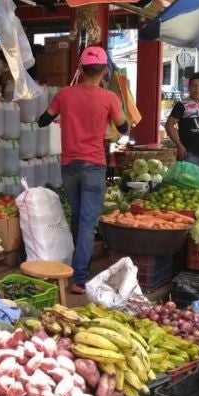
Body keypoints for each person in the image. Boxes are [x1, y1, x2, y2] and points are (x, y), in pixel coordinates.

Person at [37, 46, 128, 294]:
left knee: (78, 218)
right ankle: (79, 278)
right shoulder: (110, 98)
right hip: (94, 166)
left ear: (81, 69)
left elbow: (43, 120)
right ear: (104, 71)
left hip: (69, 166)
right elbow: (124, 128)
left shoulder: (65, 94)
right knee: (88, 223)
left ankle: (78, 266)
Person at [165, 72, 199, 172]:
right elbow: (169, 126)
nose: (197, 89)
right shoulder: (182, 105)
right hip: (188, 154)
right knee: (187, 185)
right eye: (194, 86)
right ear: (189, 88)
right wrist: (179, 145)